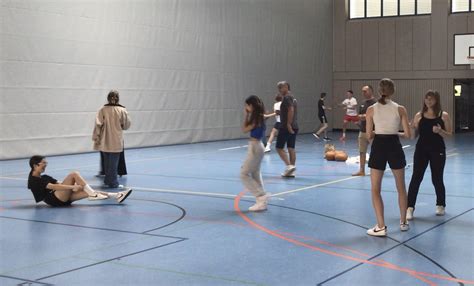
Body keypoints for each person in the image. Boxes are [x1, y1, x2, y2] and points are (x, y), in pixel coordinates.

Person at [365, 78, 411, 237]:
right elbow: (408, 134)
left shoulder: (371, 109)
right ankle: (403, 222)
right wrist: (393, 133)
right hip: (394, 145)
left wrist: (380, 133)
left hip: (379, 146)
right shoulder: (401, 109)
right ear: (393, 91)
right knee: (401, 187)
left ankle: (381, 226)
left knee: (375, 189)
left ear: (379, 91)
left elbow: (369, 134)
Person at [406, 90, 452, 220]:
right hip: (421, 150)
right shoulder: (418, 115)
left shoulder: (443, 115)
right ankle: (409, 207)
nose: (428, 101)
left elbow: (449, 135)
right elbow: (413, 137)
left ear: (436, 100)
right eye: (426, 98)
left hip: (438, 150)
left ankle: (441, 204)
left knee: (437, 178)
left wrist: (440, 131)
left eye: (431, 99)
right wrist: (412, 128)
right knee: (416, 178)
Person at [27, 155, 132, 207]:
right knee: (74, 174)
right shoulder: (34, 180)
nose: (45, 165)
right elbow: (54, 187)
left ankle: (117, 196)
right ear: (35, 165)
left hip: (60, 198)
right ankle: (93, 194)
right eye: (43, 163)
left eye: (46, 163)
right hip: (54, 199)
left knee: (87, 190)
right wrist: (72, 187)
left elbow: (58, 183)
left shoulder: (43, 176)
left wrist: (77, 184)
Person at [93, 90, 131, 188]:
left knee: (107, 161)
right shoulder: (122, 110)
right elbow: (126, 125)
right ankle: (113, 183)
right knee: (114, 162)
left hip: (104, 139)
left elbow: (98, 124)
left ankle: (107, 180)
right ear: (118, 98)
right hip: (116, 139)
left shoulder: (102, 110)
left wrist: (96, 137)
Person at [240, 95, 269, 211]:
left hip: (255, 147)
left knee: (244, 174)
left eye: (247, 105)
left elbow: (244, 129)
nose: (246, 107)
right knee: (255, 173)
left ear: (251, 105)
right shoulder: (259, 116)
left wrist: (246, 114)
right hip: (258, 146)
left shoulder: (256, 118)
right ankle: (261, 201)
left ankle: (261, 196)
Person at [275, 81, 298, 177]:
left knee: (279, 148)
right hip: (295, 126)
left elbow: (291, 110)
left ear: (286, 87)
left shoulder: (287, 98)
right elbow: (290, 110)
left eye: (281, 87)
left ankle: (289, 166)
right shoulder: (293, 98)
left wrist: (288, 123)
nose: (279, 90)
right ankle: (291, 170)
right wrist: (281, 112)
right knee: (291, 148)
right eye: (278, 88)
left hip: (286, 127)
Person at [352, 85, 377, 176]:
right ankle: (361, 170)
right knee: (362, 151)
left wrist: (366, 117)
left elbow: (377, 116)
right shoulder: (363, 103)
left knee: (375, 151)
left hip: (373, 131)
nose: (363, 93)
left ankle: (375, 170)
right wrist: (359, 119)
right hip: (362, 131)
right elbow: (359, 115)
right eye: (362, 91)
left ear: (371, 91)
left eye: (365, 91)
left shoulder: (376, 103)